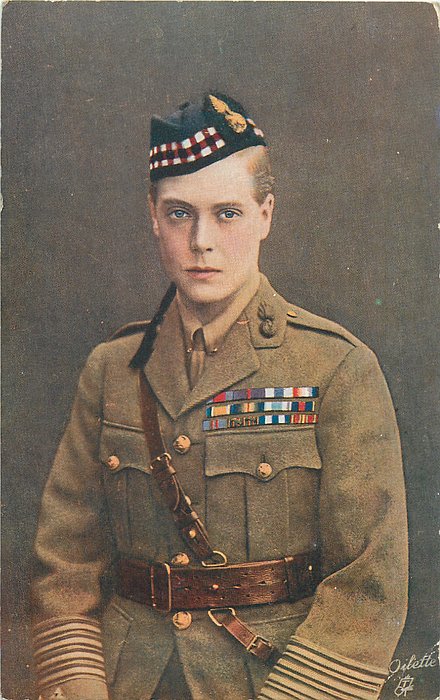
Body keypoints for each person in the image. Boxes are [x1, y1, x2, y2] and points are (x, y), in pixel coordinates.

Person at [31, 92, 408, 700]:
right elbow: (64, 567)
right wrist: (80, 688)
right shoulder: (111, 370)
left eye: (227, 213)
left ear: (266, 215)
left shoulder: (336, 368)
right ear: (153, 217)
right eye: (180, 213)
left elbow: (368, 584)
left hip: (273, 679)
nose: (201, 240)